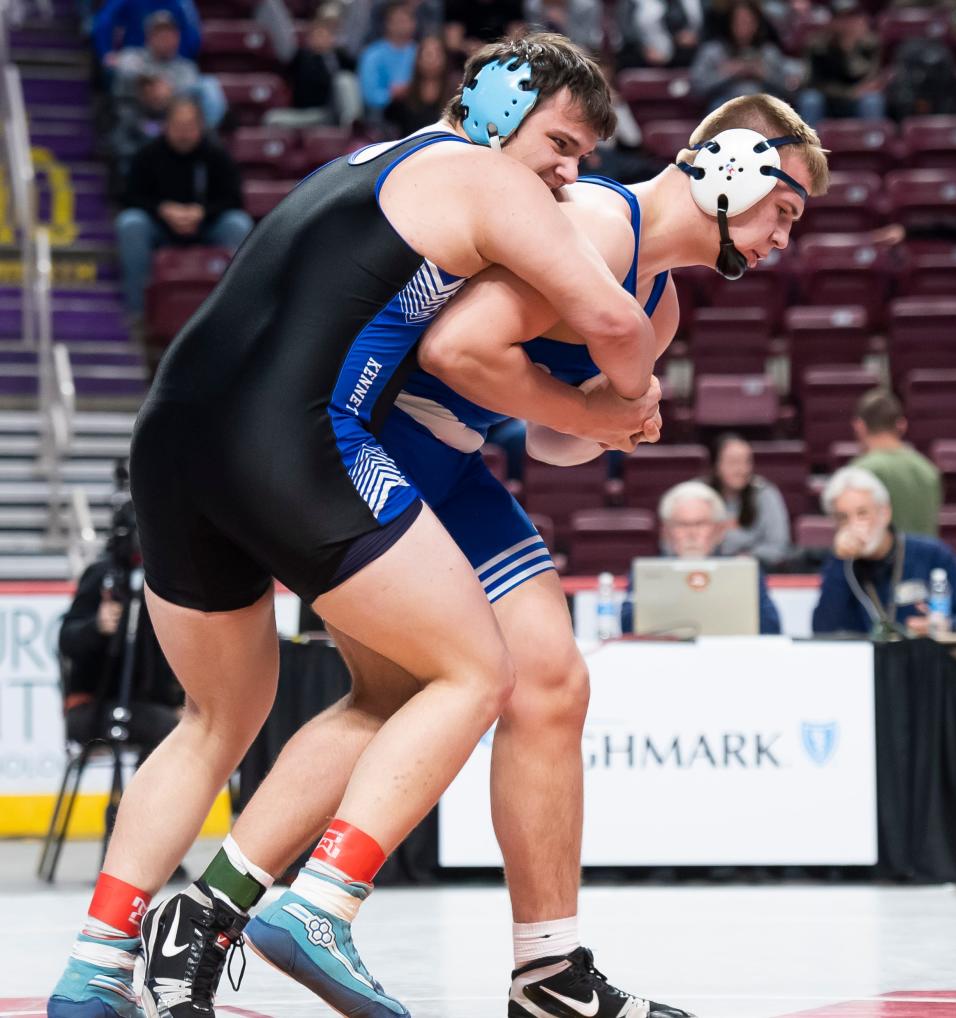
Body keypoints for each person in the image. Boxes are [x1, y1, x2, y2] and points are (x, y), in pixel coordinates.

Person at [48, 33, 664, 1018]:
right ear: (502, 106)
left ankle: (92, 967)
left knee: (218, 719)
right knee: (474, 670)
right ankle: (322, 903)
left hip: (171, 436)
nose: (569, 171)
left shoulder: (357, 164)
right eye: (562, 141)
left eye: (587, 157)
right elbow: (614, 318)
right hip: (287, 439)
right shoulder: (487, 178)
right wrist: (622, 408)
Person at [198, 90, 825, 1018]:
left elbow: (546, 443)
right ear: (731, 166)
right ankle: (297, 904)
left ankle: (546, 970)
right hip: (382, 440)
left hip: (452, 464)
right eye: (786, 209)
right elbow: (458, 349)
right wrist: (596, 411)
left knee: (550, 686)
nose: (785, 237)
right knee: (432, 690)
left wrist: (612, 428)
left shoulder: (658, 307)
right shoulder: (594, 220)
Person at [60, 501, 182, 756]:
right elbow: (66, 640)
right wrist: (97, 627)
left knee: (193, 726)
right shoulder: (102, 576)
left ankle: (152, 795)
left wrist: (182, 702)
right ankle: (150, 796)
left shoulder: (162, 580)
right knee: (170, 728)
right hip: (94, 706)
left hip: (149, 704)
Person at [114, 97, 253, 316]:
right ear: (166, 126)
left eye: (189, 127)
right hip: (160, 226)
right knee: (130, 223)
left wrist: (201, 213)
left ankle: (234, 311)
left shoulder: (217, 155)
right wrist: (163, 209)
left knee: (238, 223)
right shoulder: (147, 155)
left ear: (200, 127)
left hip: (206, 225)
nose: (184, 133)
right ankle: (138, 312)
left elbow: (234, 199)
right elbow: (130, 196)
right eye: (178, 126)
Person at [812, 466, 956, 637]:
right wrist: (840, 560)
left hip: (926, 659)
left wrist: (947, 625)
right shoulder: (840, 565)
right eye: (843, 518)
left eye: (863, 513)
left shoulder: (931, 554)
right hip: (867, 661)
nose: (854, 526)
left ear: (885, 512)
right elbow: (823, 631)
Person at [622, 480, 782, 634]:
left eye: (701, 524)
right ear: (666, 533)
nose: (692, 533)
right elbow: (627, 628)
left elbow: (772, 629)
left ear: (719, 531)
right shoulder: (644, 576)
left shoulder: (746, 573)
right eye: (682, 524)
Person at [111, 11, 226, 132]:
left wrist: (169, 91)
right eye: (159, 34)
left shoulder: (186, 67)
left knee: (209, 84)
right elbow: (123, 72)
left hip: (173, 124)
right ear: (148, 37)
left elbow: (188, 99)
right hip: (138, 121)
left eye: (169, 34)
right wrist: (152, 82)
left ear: (177, 38)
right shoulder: (133, 56)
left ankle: (202, 135)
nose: (165, 38)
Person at [850, 388, 942, 538]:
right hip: (926, 561)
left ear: (859, 426)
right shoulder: (928, 470)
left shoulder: (860, 471)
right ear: (902, 425)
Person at [689, 0, 806, 111]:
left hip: (765, 105)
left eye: (749, 21)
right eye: (739, 21)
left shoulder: (769, 52)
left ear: (757, 24)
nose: (744, 26)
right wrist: (726, 73)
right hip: (725, 104)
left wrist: (765, 74)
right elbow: (697, 89)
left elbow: (790, 89)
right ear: (729, 23)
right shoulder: (712, 51)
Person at [264, 5, 363, 129]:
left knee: (345, 79)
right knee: (272, 118)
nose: (321, 39)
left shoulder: (342, 57)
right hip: (310, 113)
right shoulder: (301, 57)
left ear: (333, 38)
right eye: (317, 35)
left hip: (336, 109)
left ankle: (352, 124)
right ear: (309, 39)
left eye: (325, 35)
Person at [706, 431, 792, 568]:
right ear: (715, 465)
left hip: (756, 569)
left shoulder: (765, 493)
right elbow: (671, 545)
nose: (742, 469)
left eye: (747, 461)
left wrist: (747, 558)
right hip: (706, 568)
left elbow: (778, 547)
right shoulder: (698, 496)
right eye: (733, 462)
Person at [795, 0, 885, 125]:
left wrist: (851, 51)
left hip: (857, 102)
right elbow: (812, 82)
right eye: (841, 18)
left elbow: (872, 78)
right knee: (810, 99)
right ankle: (809, 142)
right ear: (832, 21)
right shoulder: (818, 46)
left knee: (872, 100)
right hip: (827, 101)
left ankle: (873, 141)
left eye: (851, 18)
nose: (847, 24)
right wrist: (849, 93)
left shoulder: (870, 45)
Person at [92, 0, 202, 64]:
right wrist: (106, 52)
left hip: (172, 62)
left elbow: (192, 36)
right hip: (137, 60)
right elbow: (105, 21)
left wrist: (178, 60)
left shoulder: (181, 3)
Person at [357, 2, 418, 117]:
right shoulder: (372, 54)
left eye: (406, 21)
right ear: (388, 24)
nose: (403, 26)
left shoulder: (420, 52)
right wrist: (391, 94)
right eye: (398, 21)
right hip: (382, 113)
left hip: (416, 109)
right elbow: (369, 95)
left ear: (414, 24)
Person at [384, 36, 453, 136]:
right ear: (418, 60)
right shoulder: (404, 96)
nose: (432, 59)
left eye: (437, 54)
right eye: (428, 54)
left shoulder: (456, 96)